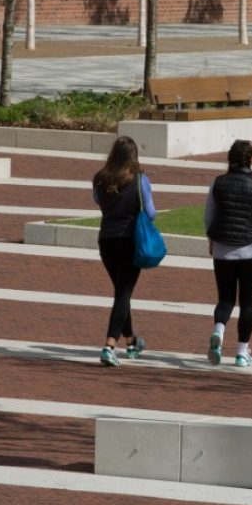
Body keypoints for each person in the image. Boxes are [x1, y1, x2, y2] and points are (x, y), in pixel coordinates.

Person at [203, 139, 252, 367]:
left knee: (225, 299)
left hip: (223, 250)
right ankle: (242, 353)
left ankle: (219, 331)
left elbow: (209, 216)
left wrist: (211, 239)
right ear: (251, 159)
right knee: (247, 303)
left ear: (229, 159)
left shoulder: (218, 183)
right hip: (250, 251)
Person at [92, 136, 156, 367]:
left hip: (107, 240)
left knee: (121, 291)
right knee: (123, 293)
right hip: (130, 240)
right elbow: (150, 213)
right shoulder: (140, 180)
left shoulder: (99, 179)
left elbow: (96, 201)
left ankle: (131, 341)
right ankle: (110, 345)